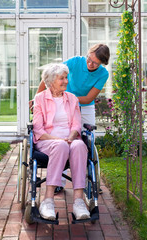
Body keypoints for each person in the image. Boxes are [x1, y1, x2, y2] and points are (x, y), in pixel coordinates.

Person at [31, 43, 110, 193]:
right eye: (89, 59)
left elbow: (87, 98)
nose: (90, 64)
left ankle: (88, 179)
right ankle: (59, 182)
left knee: (85, 140)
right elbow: (51, 76)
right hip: (60, 97)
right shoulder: (75, 61)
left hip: (83, 104)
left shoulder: (103, 74)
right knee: (61, 133)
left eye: (95, 63)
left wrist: (69, 99)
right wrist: (38, 98)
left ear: (102, 64)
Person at [33, 63, 90, 220]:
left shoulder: (72, 99)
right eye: (61, 78)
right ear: (51, 81)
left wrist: (71, 137)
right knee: (60, 145)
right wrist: (59, 139)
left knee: (79, 145)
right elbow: (38, 129)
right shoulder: (40, 99)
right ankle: (48, 200)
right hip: (48, 141)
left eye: (66, 77)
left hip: (70, 140)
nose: (66, 81)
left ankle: (79, 201)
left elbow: (77, 124)